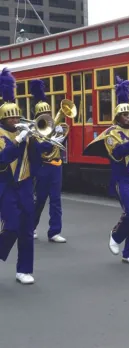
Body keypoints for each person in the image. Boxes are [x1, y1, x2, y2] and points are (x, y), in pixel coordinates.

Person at [83, 76, 129, 265]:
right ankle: (115, 235)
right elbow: (119, 153)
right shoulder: (111, 134)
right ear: (118, 117)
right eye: (126, 115)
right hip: (122, 178)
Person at [0, 68, 59, 284]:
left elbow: (40, 154)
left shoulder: (25, 132)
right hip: (6, 185)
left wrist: (45, 138)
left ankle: (23, 269)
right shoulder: (2, 135)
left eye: (17, 115)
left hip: (25, 184)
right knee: (12, 225)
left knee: (26, 228)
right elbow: (4, 157)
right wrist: (19, 139)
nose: (16, 119)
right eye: (11, 117)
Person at [31, 79, 67, 243]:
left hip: (56, 166)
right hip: (43, 167)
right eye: (42, 114)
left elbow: (60, 146)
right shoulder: (34, 130)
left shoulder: (53, 125)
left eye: (48, 114)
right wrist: (53, 137)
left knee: (56, 200)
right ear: (37, 116)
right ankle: (31, 227)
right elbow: (41, 149)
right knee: (40, 200)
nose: (46, 116)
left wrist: (61, 136)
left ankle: (54, 231)